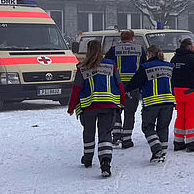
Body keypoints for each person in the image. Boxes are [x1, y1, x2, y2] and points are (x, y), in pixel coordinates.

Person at [67, 39, 125, 178]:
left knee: (89, 133)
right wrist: (122, 101)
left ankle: (87, 159)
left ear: (88, 50)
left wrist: (71, 107)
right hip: (108, 105)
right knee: (105, 134)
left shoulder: (82, 67)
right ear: (101, 50)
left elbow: (76, 89)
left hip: (89, 106)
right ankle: (105, 163)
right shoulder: (111, 65)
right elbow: (120, 84)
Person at [126, 45, 175, 163]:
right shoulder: (169, 66)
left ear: (150, 54)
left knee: (147, 127)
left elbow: (135, 82)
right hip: (168, 101)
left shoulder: (145, 67)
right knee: (163, 127)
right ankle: (162, 153)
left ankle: (156, 148)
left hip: (152, 102)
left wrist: (125, 89)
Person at [105, 30, 144, 149]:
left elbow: (107, 65)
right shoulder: (140, 49)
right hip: (133, 86)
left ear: (121, 38)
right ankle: (127, 139)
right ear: (132, 38)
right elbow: (143, 68)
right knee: (130, 113)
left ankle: (116, 136)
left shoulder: (113, 49)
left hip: (117, 85)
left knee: (116, 111)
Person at [171, 37, 194, 152]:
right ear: (189, 46)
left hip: (178, 91)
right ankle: (191, 143)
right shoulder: (192, 58)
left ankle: (178, 142)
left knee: (181, 117)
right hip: (192, 91)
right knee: (191, 117)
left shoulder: (175, 58)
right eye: (193, 45)